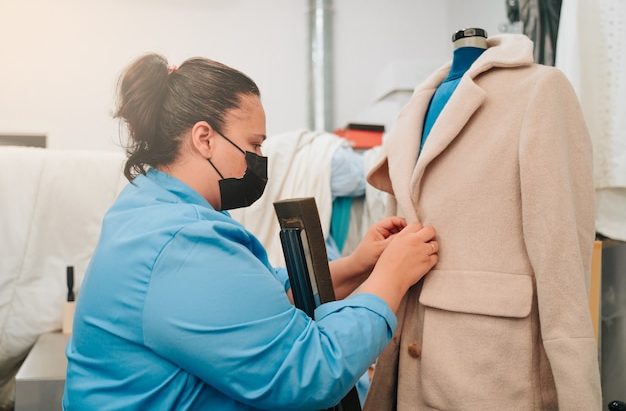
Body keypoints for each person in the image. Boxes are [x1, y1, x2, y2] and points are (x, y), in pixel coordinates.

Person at [62, 53, 439, 411]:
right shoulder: (180, 243)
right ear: (204, 138)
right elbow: (310, 372)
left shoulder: (150, 207)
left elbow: (264, 296)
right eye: (253, 144)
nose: (259, 158)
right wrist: (392, 277)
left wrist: (361, 265)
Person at [364, 32, 601, 410]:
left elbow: (561, 254)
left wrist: (577, 393)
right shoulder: (415, 107)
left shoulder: (539, 88)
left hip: (490, 366)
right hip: (410, 350)